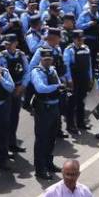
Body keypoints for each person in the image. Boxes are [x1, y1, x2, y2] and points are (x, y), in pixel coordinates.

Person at [29, 48, 64, 178]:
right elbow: (41, 88)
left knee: (51, 137)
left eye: (50, 59)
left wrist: (60, 87)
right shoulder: (36, 72)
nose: (48, 61)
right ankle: (40, 169)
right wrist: (56, 87)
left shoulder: (53, 70)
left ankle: (49, 163)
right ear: (41, 59)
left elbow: (59, 83)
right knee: (41, 139)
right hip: (43, 108)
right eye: (45, 59)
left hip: (54, 107)